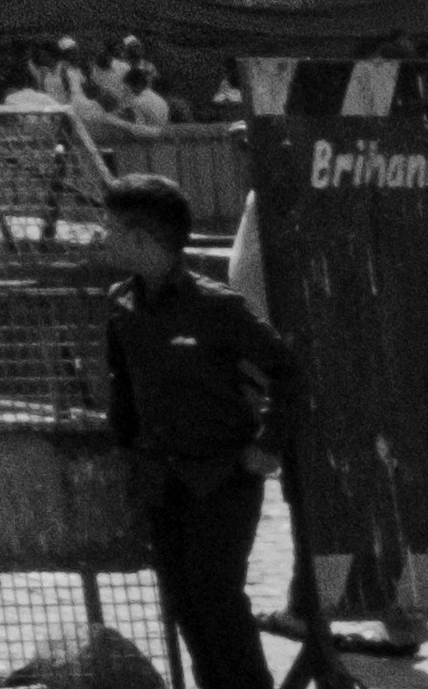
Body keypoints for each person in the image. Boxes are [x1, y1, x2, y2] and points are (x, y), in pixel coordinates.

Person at [102, 174, 302, 689]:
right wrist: (122, 455)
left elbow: (289, 374)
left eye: (112, 229)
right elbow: (122, 387)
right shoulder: (121, 305)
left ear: (142, 239)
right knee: (184, 602)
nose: (103, 238)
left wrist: (268, 444)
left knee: (218, 598)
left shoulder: (217, 307)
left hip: (223, 478)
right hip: (163, 482)